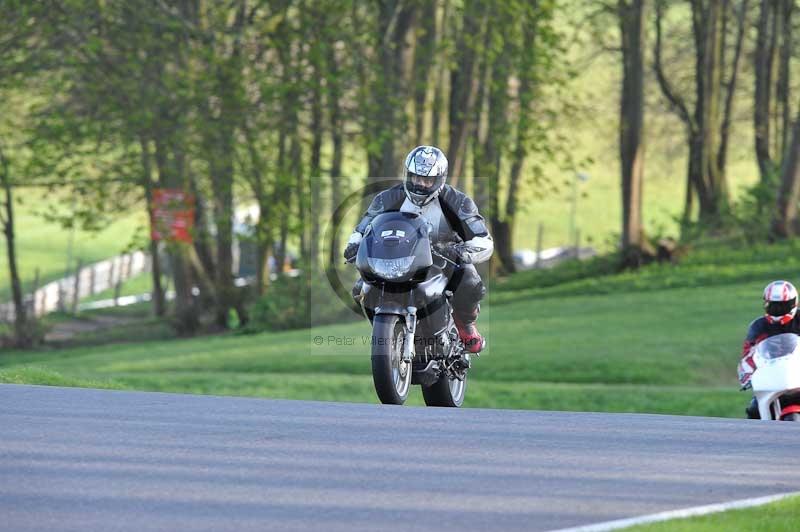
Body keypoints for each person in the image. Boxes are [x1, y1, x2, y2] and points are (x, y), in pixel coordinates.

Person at [344, 145, 493, 353]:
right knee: (361, 288)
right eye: (415, 177)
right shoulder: (387, 198)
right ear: (407, 175)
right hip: (399, 258)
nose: (420, 184)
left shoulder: (458, 202)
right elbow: (365, 226)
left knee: (470, 282)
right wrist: (354, 244)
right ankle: (387, 332)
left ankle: (466, 327)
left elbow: (484, 240)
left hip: (444, 259)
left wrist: (461, 251)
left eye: (427, 180)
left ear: (440, 179)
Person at [738, 280, 800, 419]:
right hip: (773, 378)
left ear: (793, 304)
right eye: (773, 306)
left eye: (782, 306)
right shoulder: (759, 326)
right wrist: (747, 373)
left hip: (797, 373)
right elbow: (749, 353)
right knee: (754, 410)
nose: (777, 310)